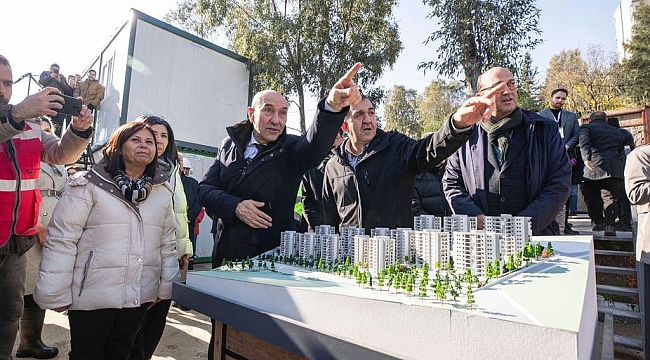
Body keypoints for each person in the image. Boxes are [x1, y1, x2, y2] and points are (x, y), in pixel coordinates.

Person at [198, 62, 364, 360]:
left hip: (268, 262)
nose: (277, 120)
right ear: (251, 113)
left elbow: (315, 146)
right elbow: (204, 190)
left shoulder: (292, 149)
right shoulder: (228, 145)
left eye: (283, 113)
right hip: (225, 258)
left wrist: (330, 107)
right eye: (268, 111)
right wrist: (236, 207)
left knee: (258, 342)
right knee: (222, 334)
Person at [34, 121, 179, 360]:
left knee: (120, 353)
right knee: (86, 354)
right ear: (118, 147)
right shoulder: (87, 184)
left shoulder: (161, 191)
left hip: (138, 295)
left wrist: (165, 288)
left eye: (149, 142)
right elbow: (62, 239)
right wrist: (55, 292)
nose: (144, 145)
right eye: (136, 140)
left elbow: (167, 243)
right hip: (92, 294)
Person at [0, 54, 93, 360]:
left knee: (9, 313)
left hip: (15, 240)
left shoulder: (29, 126)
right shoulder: (17, 118)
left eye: (8, 82)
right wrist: (16, 114)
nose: (3, 89)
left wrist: (78, 131)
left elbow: (58, 155)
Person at [322, 82, 503, 232]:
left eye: (371, 112)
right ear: (345, 126)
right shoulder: (333, 165)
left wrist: (458, 124)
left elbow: (429, 150)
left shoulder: (395, 147)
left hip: (395, 256)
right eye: (359, 115)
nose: (368, 120)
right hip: (350, 258)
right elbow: (329, 220)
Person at [443, 67, 571, 235]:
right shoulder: (465, 135)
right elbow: (452, 183)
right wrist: (474, 217)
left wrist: (522, 225)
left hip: (535, 237)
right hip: (481, 239)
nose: (507, 91)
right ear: (481, 96)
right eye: (498, 87)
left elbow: (559, 182)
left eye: (511, 84)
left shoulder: (544, 130)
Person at [128, 116, 193, 360]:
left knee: (156, 323)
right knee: (135, 326)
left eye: (164, 135)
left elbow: (180, 212)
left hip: (170, 255)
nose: (159, 140)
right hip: (141, 260)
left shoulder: (172, 170)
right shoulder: (132, 168)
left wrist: (183, 249)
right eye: (153, 134)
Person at [15, 118, 62, 359]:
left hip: (55, 229)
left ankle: (31, 342)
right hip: (30, 224)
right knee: (20, 286)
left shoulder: (57, 162)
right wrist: (34, 223)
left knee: (38, 287)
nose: (42, 136)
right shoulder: (22, 154)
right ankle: (18, 342)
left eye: (47, 132)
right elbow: (18, 190)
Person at [579, 111, 626, 236]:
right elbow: (620, 149)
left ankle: (598, 223)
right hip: (613, 168)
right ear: (606, 120)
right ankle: (610, 225)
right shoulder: (616, 131)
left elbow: (584, 143)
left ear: (590, 120)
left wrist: (586, 159)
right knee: (610, 198)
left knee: (592, 198)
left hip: (592, 167)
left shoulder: (586, 128)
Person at [301, 129, 345, 231]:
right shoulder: (310, 168)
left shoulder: (348, 167)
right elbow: (306, 202)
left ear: (342, 138)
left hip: (345, 232)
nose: (330, 142)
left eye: (334, 138)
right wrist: (322, 228)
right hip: (317, 233)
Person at [608, 116, 635, 232]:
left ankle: (621, 221)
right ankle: (625, 221)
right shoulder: (626, 133)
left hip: (615, 168)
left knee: (616, 197)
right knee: (624, 197)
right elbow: (630, 149)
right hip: (626, 166)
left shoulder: (610, 134)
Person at [38, 63, 73, 136]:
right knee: (45, 118)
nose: (55, 71)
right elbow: (41, 81)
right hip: (47, 98)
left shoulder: (61, 77)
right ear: (50, 69)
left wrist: (59, 81)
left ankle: (56, 138)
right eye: (54, 69)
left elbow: (67, 89)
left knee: (58, 121)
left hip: (58, 100)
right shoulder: (45, 73)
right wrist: (50, 76)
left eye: (57, 70)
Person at [180, 156, 202, 258]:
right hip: (173, 224)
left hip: (189, 224)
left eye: (187, 169)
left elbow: (198, 203)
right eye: (183, 167)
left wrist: (188, 217)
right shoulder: (168, 182)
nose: (184, 170)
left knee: (187, 253)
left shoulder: (193, 184)